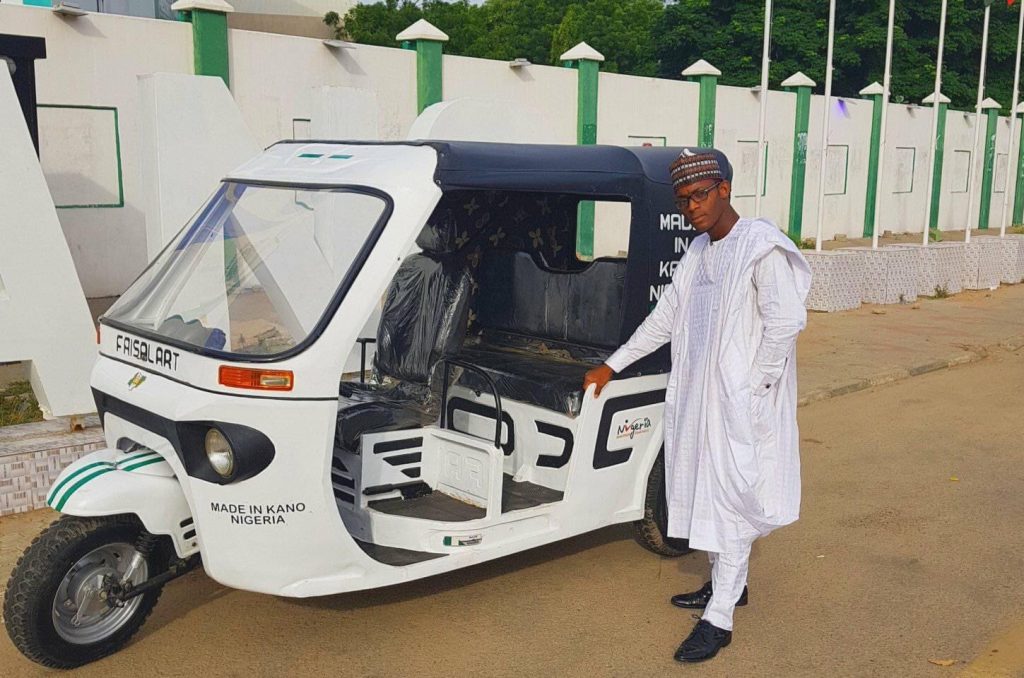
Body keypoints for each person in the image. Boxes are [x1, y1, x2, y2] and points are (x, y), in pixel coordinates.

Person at [583, 149, 811, 663]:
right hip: (699, 400)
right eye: (683, 201)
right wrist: (612, 365)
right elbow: (665, 319)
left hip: (742, 403)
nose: (691, 208)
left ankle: (720, 619)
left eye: (700, 196)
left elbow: (785, 323)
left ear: (724, 190)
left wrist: (754, 390)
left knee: (730, 498)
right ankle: (727, 585)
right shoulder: (699, 252)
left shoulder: (760, 247)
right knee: (706, 490)